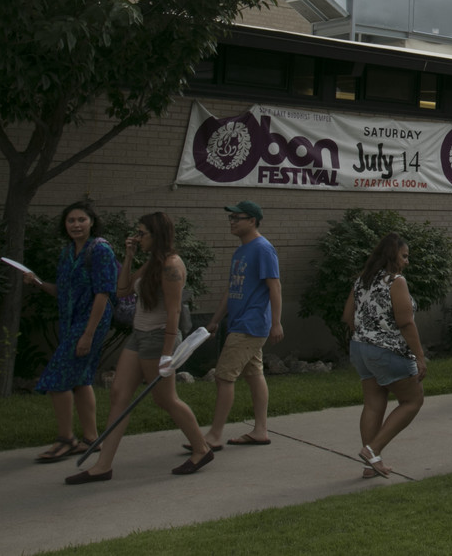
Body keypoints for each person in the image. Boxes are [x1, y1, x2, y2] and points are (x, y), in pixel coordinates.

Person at [68, 212, 213, 483]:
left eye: (142, 233)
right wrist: (129, 255)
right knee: (119, 395)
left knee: (165, 399)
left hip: (159, 338)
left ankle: (202, 449)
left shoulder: (171, 266)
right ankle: (103, 466)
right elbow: (121, 291)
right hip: (138, 336)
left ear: (157, 235)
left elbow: (173, 313)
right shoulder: (151, 263)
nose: (137, 237)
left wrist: (168, 354)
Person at [24, 200, 118, 463]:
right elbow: (62, 291)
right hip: (70, 323)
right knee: (81, 379)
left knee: (57, 378)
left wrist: (87, 334)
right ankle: (91, 438)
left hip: (90, 323)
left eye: (81, 220)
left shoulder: (100, 251)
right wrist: (38, 282)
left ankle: (65, 439)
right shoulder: (67, 253)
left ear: (92, 222)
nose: (76, 225)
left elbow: (103, 293)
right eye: (71, 220)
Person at [198, 201, 282, 450]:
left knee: (224, 377)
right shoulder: (241, 251)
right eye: (231, 218)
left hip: (251, 324)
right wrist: (214, 320)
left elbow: (274, 286)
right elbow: (231, 289)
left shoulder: (263, 249)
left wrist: (276, 322)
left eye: (237, 218)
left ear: (252, 221)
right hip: (238, 322)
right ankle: (260, 431)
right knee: (254, 374)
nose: (232, 222)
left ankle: (213, 436)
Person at [342, 232, 426, 478]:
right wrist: (420, 357)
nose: (407, 261)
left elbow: (348, 317)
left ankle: (371, 465)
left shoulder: (361, 281)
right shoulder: (395, 281)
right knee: (413, 401)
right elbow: (406, 323)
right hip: (388, 351)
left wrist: (367, 336)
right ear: (392, 256)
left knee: (373, 403)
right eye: (404, 256)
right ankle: (373, 449)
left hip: (360, 349)